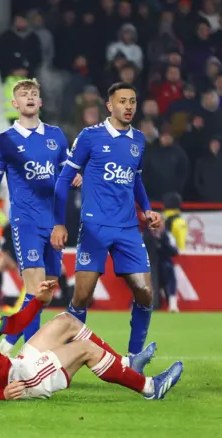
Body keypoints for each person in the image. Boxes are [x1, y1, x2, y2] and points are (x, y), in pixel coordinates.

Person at [0, 270, 182, 401]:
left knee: (65, 321)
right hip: (18, 383)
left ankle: (125, 363)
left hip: (16, 366)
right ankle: (149, 387)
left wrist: (38, 302)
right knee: (85, 348)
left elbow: (12, 326)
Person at [51, 82, 163, 356]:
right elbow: (64, 180)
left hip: (127, 229)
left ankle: (134, 357)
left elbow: (136, 180)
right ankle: (61, 357)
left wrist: (147, 208)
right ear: (110, 105)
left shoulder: (138, 140)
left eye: (133, 101)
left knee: (146, 293)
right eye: (122, 101)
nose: (128, 107)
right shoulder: (90, 136)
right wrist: (58, 222)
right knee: (82, 296)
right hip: (95, 227)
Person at [0, 78, 81, 355]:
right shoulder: (5, 141)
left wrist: (75, 176)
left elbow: (67, 170)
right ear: (14, 104)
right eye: (23, 94)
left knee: (46, 293)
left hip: (54, 224)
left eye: (34, 94)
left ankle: (9, 341)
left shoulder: (56, 136)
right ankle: (29, 358)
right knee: (37, 288)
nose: (29, 97)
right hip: (25, 221)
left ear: (40, 102)